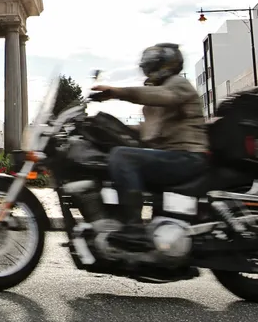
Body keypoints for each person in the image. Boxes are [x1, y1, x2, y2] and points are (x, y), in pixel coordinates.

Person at [89, 43, 208, 241]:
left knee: (122, 156)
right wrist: (101, 126)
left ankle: (133, 226)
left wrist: (117, 92)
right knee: (115, 153)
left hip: (188, 156)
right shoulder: (161, 92)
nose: (148, 70)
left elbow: (162, 97)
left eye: (151, 65)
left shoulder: (177, 84)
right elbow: (147, 132)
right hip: (172, 156)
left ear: (165, 65)